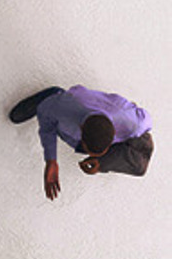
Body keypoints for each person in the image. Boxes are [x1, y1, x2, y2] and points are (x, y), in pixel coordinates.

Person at [9, 85, 153, 200]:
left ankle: (104, 153)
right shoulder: (68, 106)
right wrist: (51, 160)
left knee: (140, 168)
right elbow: (47, 127)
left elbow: (146, 120)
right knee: (47, 117)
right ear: (81, 129)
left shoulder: (135, 124)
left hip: (123, 125)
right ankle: (53, 94)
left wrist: (102, 162)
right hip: (68, 105)